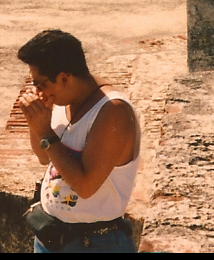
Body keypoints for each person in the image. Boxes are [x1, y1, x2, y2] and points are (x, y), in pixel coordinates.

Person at [17, 30, 139, 254]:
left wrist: (46, 131)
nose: (37, 91)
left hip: (95, 244)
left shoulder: (113, 112)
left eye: (41, 84)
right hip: (51, 236)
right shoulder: (65, 100)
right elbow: (44, 157)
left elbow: (85, 186)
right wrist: (36, 124)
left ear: (64, 78)